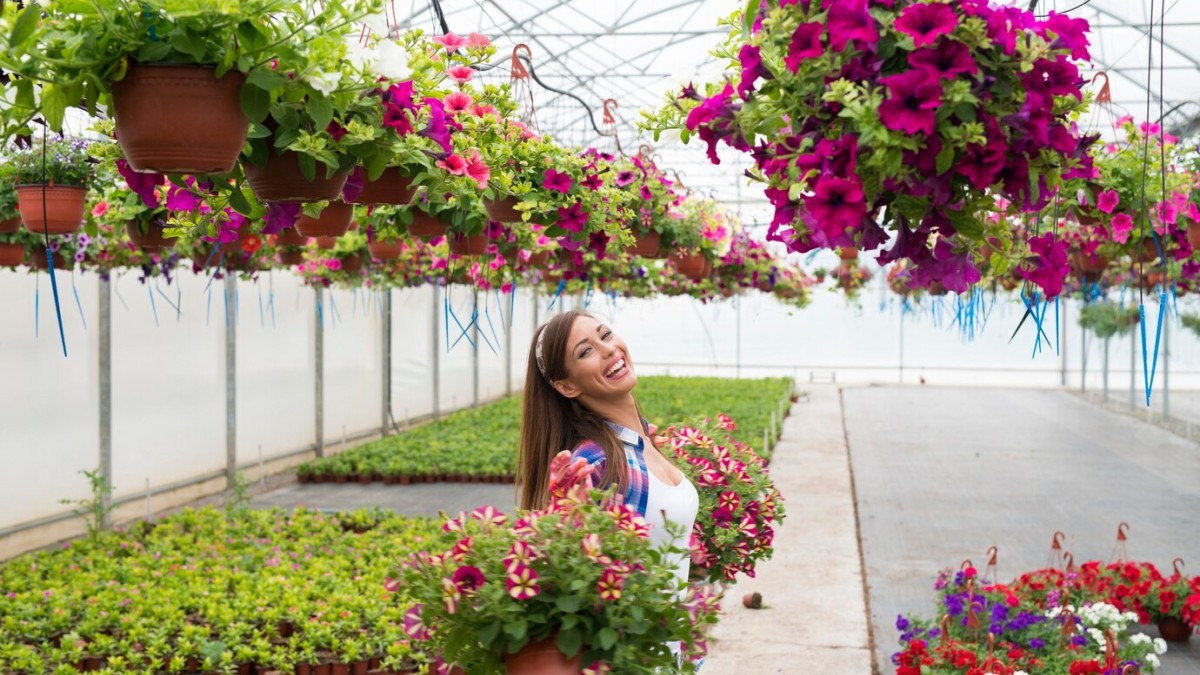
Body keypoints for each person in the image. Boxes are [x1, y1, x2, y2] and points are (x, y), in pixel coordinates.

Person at [516, 310, 699, 591]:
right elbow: (581, 583)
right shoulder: (595, 465)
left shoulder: (642, 440)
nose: (608, 349)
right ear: (567, 386)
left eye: (605, 334)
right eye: (586, 351)